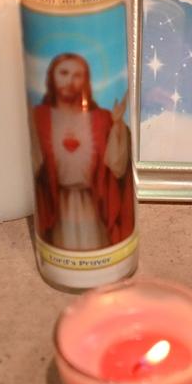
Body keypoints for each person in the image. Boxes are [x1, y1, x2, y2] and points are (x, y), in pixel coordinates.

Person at [31, 52, 133, 250]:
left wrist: (117, 126)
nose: (70, 81)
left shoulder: (102, 119)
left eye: (78, 75)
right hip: (57, 208)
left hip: (92, 207)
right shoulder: (39, 117)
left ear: (86, 80)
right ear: (52, 76)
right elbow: (34, 167)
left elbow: (117, 168)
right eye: (64, 73)